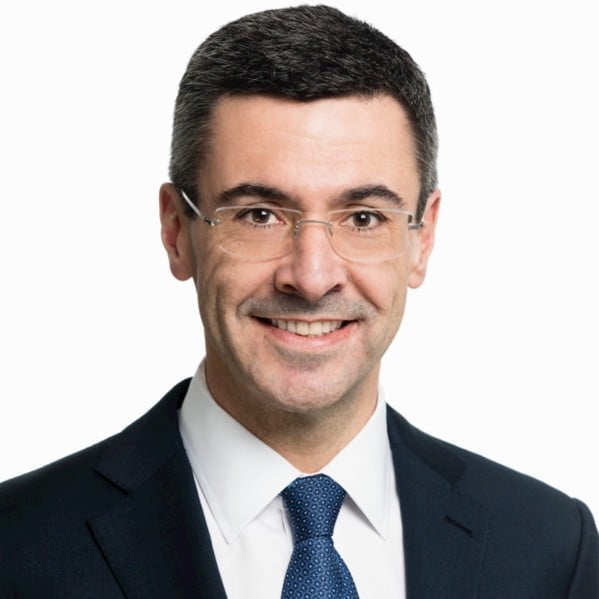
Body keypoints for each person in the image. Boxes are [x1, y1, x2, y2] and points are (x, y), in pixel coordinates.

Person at [0, 5, 596, 598]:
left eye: (363, 218)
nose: (312, 278)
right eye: (259, 215)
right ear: (177, 231)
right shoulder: (16, 546)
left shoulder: (549, 550)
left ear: (423, 238)